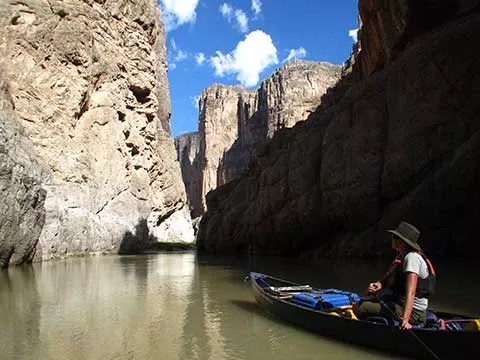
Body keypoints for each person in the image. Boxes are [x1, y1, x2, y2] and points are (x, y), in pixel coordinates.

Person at [354, 221, 436, 330]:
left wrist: (405, 320)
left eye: (394, 236)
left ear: (402, 242)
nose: (392, 239)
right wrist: (379, 285)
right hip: (399, 302)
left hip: (413, 313)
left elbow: (410, 292)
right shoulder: (402, 256)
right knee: (362, 302)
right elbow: (391, 280)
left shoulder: (411, 258)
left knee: (359, 307)